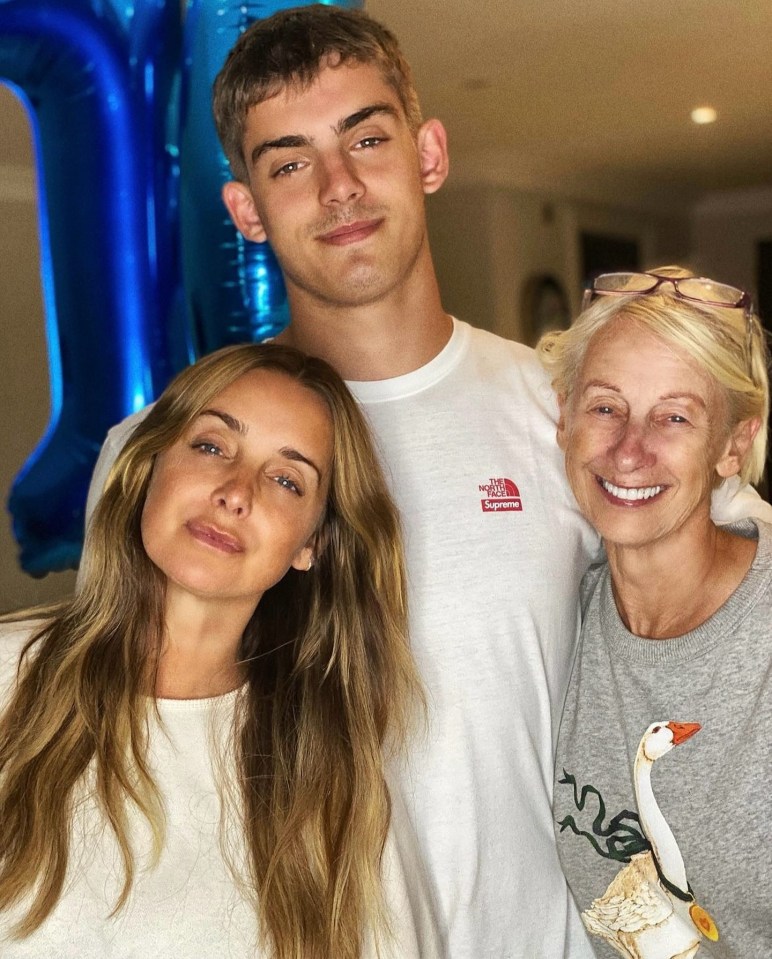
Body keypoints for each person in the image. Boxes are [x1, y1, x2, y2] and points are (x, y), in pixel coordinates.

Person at [81, 9, 772, 955]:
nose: (339, 187)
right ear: (245, 209)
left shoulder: (566, 417)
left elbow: (735, 560)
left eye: (367, 137)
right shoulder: (160, 466)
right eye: (289, 163)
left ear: (430, 152)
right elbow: (118, 756)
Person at [0, 342, 438, 958]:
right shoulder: (8, 678)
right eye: (211, 446)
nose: (237, 492)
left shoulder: (330, 779)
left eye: (287, 480)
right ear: (149, 466)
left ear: (310, 545)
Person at [540, 268, 772, 958]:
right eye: (606, 407)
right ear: (564, 415)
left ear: (733, 444)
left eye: (674, 416)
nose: (630, 449)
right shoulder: (562, 619)